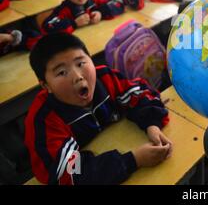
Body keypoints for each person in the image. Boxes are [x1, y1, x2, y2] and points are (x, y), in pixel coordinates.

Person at [25, 33, 172, 184]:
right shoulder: (44, 121)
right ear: (46, 85)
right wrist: (133, 160)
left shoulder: (106, 78)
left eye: (81, 63)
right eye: (62, 72)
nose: (77, 76)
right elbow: (68, 174)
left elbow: (140, 93)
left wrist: (152, 124)